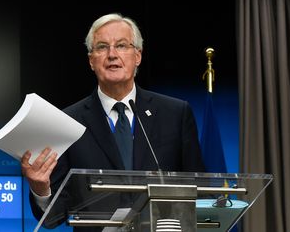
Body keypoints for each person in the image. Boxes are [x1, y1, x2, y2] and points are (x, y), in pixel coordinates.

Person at [21, 13, 205, 231]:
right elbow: (53, 217)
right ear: (91, 61)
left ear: (138, 56)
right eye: (101, 47)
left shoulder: (175, 113)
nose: (112, 54)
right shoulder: (68, 121)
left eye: (121, 45)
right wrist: (40, 188)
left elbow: (200, 190)